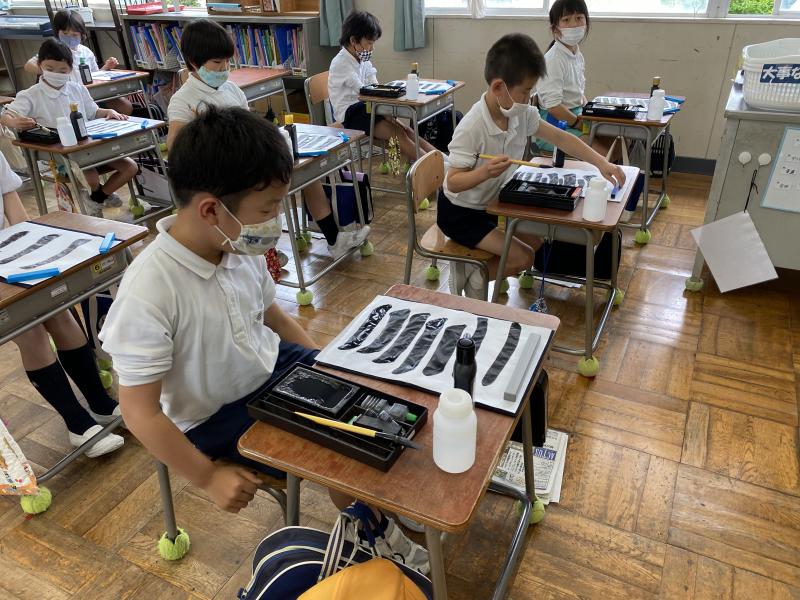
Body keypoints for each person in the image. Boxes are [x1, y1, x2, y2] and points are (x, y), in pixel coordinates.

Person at [99, 106, 429, 574]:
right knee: (339, 450)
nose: (275, 221)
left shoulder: (233, 243)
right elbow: (139, 412)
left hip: (270, 369)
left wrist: (327, 368)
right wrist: (207, 476)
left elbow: (275, 318)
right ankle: (372, 531)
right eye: (268, 210)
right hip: (213, 415)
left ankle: (378, 505)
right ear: (211, 210)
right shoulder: (150, 289)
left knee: (371, 398)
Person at [439, 33, 626, 299]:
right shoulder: (472, 127)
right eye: (526, 92)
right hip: (460, 213)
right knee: (524, 257)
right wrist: (484, 172)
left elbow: (561, 138)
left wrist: (601, 163)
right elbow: (453, 181)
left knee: (536, 241)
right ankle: (474, 274)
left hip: (490, 206)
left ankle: (478, 269)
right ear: (498, 87)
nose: (529, 98)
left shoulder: (520, 113)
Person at [167, 19, 369, 261]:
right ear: (193, 62)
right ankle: (262, 253)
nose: (224, 69)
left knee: (306, 171)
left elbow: (249, 129)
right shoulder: (183, 100)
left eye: (227, 62)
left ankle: (333, 239)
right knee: (262, 198)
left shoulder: (232, 90)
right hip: (224, 177)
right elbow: (175, 147)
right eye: (217, 63)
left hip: (249, 163)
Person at [0, 152, 123, 457]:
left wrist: (27, 249)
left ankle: (100, 403)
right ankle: (77, 424)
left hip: (10, 253)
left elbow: (11, 201)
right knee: (30, 331)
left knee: (60, 314)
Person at [2, 39, 136, 215]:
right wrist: (14, 122)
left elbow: (94, 111)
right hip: (61, 155)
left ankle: (97, 197)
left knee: (130, 167)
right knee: (90, 177)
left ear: (71, 69)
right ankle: (99, 195)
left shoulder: (77, 88)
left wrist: (109, 111)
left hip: (90, 146)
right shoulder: (31, 95)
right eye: (50, 69)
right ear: (40, 65)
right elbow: (5, 116)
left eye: (62, 71)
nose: (56, 74)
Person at [328, 10, 435, 163]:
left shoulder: (361, 59)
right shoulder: (341, 63)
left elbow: (374, 85)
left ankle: (444, 160)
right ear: (353, 41)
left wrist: (384, 104)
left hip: (366, 107)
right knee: (398, 134)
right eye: (369, 43)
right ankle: (434, 166)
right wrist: (384, 108)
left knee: (406, 130)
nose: (372, 48)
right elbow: (364, 91)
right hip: (350, 116)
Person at [24, 9, 132, 116]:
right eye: (65, 34)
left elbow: (94, 76)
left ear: (82, 35)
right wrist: (50, 72)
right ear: (57, 33)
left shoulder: (86, 52)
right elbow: (29, 65)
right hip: (66, 95)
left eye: (74, 35)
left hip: (90, 94)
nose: (69, 38)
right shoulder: (54, 51)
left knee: (125, 106)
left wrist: (106, 67)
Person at [535, 0, 590, 152]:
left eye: (579, 18)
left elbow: (579, 93)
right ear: (555, 29)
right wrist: (579, 124)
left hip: (575, 117)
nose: (574, 24)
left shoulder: (577, 55)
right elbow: (554, 108)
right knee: (603, 152)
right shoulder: (553, 60)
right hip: (554, 125)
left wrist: (590, 111)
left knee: (619, 139)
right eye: (566, 20)